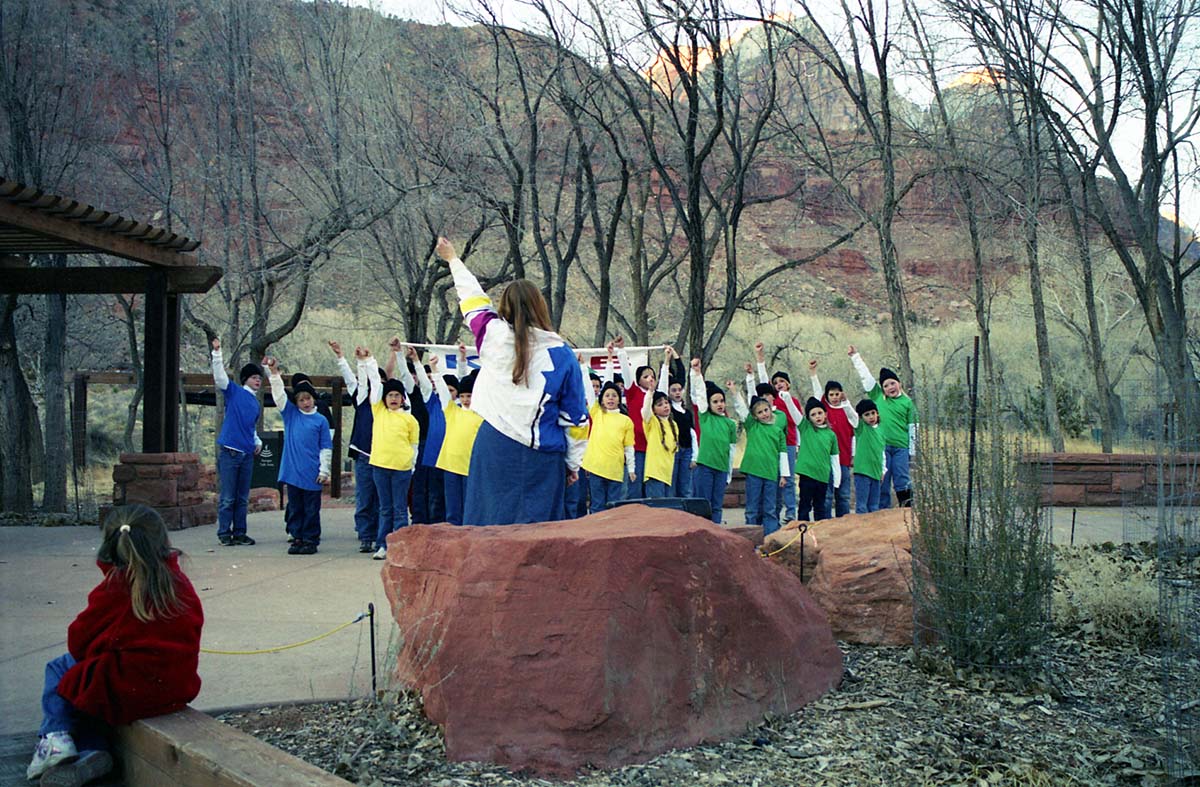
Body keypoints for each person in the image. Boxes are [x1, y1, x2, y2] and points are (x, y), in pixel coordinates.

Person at [28, 505, 203, 786]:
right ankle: (91, 751)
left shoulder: (117, 587)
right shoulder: (179, 583)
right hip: (175, 687)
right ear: (162, 541)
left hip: (129, 689)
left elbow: (79, 642)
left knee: (63, 669)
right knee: (92, 682)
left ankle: (55, 738)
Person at [437, 236, 589, 525]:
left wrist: (453, 259)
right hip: (543, 458)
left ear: (504, 306)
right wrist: (573, 464)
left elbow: (472, 299)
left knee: (487, 530)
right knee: (539, 540)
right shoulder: (563, 355)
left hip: (493, 447)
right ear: (541, 307)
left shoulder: (491, 335)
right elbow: (577, 420)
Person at [265, 357, 332, 555]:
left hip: (312, 473)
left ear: (314, 399)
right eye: (301, 400)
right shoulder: (291, 415)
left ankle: (311, 539)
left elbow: (325, 447)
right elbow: (278, 395)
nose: (305, 402)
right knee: (295, 507)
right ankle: (297, 537)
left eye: (308, 399)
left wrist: (324, 470)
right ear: (296, 402)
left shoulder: (320, 421)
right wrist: (274, 373)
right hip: (293, 471)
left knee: (311, 509)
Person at [360, 349, 421, 558]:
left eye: (397, 395)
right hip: (380, 466)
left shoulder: (410, 419)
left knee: (400, 509)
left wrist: (411, 466)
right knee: (385, 508)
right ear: (384, 399)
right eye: (390, 395)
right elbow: (376, 384)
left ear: (403, 398)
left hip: (401, 469)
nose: (393, 398)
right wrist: (369, 360)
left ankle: (400, 546)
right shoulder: (379, 411)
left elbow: (414, 445)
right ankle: (383, 545)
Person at [331, 340, 384, 553]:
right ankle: (365, 536)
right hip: (363, 455)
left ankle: (381, 535)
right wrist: (346, 358)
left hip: (382, 456)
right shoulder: (361, 398)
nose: (371, 383)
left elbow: (375, 382)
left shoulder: (383, 402)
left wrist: (368, 361)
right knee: (364, 498)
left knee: (381, 500)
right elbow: (355, 381)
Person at [849, 346, 918, 507]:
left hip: (901, 447)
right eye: (886, 385)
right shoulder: (878, 396)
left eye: (892, 383)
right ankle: (882, 511)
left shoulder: (907, 403)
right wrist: (855, 357)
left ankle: (907, 508)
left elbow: (914, 427)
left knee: (902, 477)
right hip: (881, 446)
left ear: (899, 383)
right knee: (883, 478)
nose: (890, 388)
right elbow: (866, 377)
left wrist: (913, 452)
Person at [210, 338, 263, 547]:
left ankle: (240, 532)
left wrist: (257, 440)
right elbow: (220, 377)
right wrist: (217, 354)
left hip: (247, 453)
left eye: (259, 377)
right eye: (253, 377)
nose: (257, 380)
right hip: (230, 452)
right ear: (245, 379)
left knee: (242, 498)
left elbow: (250, 427)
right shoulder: (234, 392)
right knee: (228, 497)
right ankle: (224, 532)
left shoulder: (255, 403)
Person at [731, 389, 790, 537]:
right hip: (754, 472)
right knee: (752, 507)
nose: (764, 414)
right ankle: (751, 539)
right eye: (760, 412)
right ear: (755, 417)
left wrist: (784, 475)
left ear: (771, 409)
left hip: (771, 474)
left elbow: (783, 454)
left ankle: (770, 539)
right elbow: (742, 410)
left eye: (766, 410)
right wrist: (734, 392)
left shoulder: (778, 431)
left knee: (770, 508)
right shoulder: (752, 426)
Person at [753, 342, 801, 522]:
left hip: (788, 445)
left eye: (782, 381)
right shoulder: (770, 405)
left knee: (787, 479)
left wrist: (798, 445)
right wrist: (760, 358)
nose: (779, 384)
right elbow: (764, 380)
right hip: (770, 446)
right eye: (776, 383)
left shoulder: (792, 402)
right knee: (774, 480)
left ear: (788, 384)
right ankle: (775, 510)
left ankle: (791, 511)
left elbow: (799, 424)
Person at [688, 359, 740, 524]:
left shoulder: (730, 424)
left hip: (721, 469)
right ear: (709, 404)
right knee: (705, 504)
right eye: (715, 402)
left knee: (717, 505)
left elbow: (731, 449)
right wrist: (697, 373)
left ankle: (716, 533)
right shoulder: (705, 417)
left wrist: (729, 473)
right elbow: (701, 394)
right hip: (705, 467)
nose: (719, 405)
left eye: (722, 401)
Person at [809, 359, 857, 517]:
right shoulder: (824, 410)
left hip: (843, 459)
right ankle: (825, 524)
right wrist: (813, 373)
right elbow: (816, 393)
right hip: (824, 461)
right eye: (831, 394)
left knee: (843, 496)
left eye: (837, 394)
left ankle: (843, 525)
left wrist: (853, 456)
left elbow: (855, 426)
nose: (834, 397)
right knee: (826, 496)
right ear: (826, 395)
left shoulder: (846, 411)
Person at [435, 368, 483, 526]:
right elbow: (443, 392)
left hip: (470, 467)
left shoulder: (481, 415)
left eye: (469, 395)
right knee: (452, 508)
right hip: (450, 465)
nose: (465, 399)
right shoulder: (452, 411)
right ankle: (454, 541)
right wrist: (435, 370)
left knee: (470, 507)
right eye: (462, 396)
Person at [615, 337, 661, 499]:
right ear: (638, 379)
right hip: (637, 448)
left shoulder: (658, 397)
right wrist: (621, 351)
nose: (650, 379)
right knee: (634, 488)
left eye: (653, 376)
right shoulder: (633, 392)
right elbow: (626, 373)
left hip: (655, 448)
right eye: (646, 376)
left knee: (653, 489)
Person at [581, 377, 636, 512]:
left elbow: (629, 447)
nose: (610, 398)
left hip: (615, 469)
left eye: (614, 395)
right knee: (597, 505)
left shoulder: (626, 421)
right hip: (595, 467)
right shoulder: (597, 413)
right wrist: (582, 366)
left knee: (613, 507)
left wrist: (631, 469)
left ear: (619, 398)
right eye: (607, 395)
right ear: (602, 400)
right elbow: (588, 390)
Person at [790, 395, 841, 522]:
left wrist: (837, 479)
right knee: (804, 505)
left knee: (820, 506)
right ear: (808, 418)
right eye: (813, 414)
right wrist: (786, 398)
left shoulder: (831, 434)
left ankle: (819, 533)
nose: (817, 416)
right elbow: (794, 413)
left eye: (819, 413)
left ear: (825, 414)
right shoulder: (806, 428)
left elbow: (834, 457)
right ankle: (802, 532)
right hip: (807, 474)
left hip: (823, 476)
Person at [639, 347, 678, 499]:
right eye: (660, 404)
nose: (665, 406)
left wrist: (667, 360)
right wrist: (650, 392)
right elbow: (645, 411)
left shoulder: (673, 425)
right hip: (654, 474)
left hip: (668, 473)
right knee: (656, 511)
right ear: (654, 409)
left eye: (666, 403)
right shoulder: (652, 422)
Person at [665, 348, 697, 498]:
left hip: (687, 451)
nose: (677, 392)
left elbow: (693, 434)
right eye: (674, 390)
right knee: (672, 485)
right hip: (673, 451)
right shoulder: (668, 410)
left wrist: (694, 456)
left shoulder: (687, 412)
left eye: (679, 389)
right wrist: (668, 359)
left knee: (685, 488)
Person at [852, 399, 888, 513]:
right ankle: (861, 529)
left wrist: (883, 470)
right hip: (863, 472)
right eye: (867, 415)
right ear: (861, 417)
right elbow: (851, 415)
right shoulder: (861, 428)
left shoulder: (881, 431)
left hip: (876, 473)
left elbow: (882, 452)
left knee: (874, 506)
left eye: (873, 413)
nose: (871, 416)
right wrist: (845, 402)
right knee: (862, 506)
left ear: (877, 413)